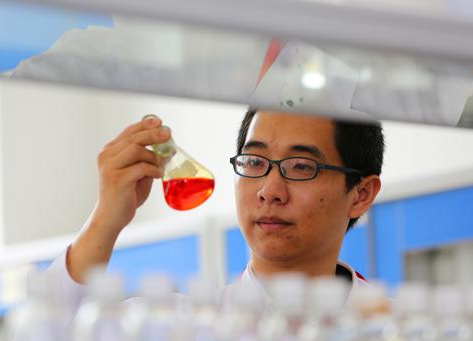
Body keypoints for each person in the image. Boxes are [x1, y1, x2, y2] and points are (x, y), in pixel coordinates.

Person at [42, 109, 384, 310]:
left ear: (361, 194)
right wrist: (106, 218)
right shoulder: (179, 329)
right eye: (254, 162)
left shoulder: (396, 339)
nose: (269, 191)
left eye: (301, 166)